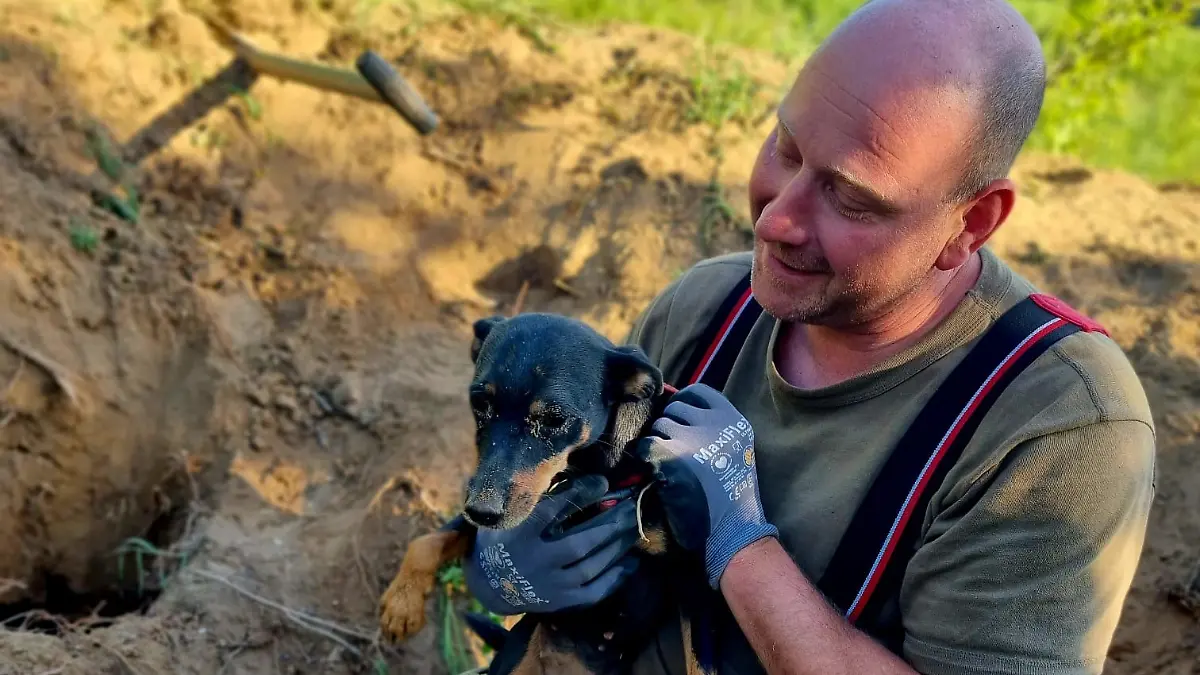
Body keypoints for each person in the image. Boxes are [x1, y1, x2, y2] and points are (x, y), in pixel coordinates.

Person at [460, 0, 1157, 673]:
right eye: (785, 148)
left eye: (851, 196)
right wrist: (502, 562)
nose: (775, 222)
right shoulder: (706, 306)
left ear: (970, 224)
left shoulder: (1056, 424)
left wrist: (740, 544)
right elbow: (561, 485)